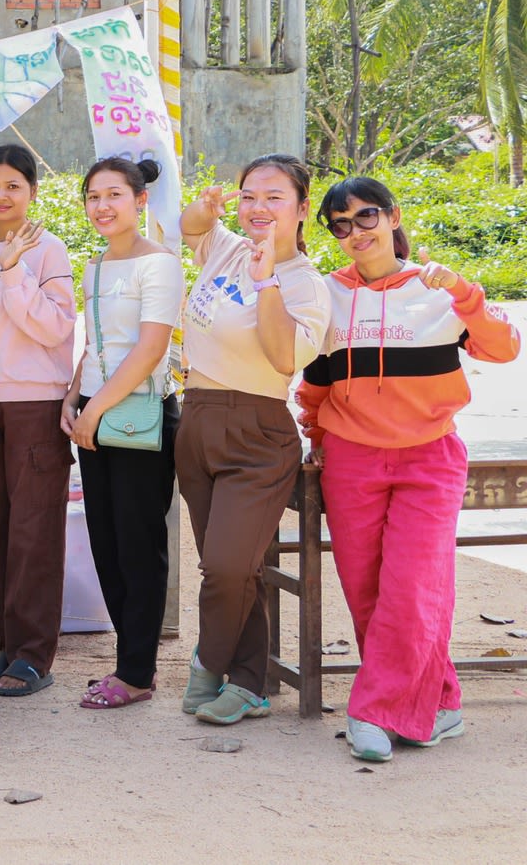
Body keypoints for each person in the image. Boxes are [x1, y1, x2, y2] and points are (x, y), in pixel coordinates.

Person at [297, 178, 519, 761]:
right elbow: (316, 384)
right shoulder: (327, 295)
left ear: (392, 217)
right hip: (349, 459)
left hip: (429, 456)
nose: (355, 233)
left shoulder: (438, 290)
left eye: (365, 217)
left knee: (413, 588)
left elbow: (503, 348)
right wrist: (317, 438)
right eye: (339, 224)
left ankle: (373, 711)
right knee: (368, 591)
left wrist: (466, 293)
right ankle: (441, 704)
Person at [176, 155, 331, 725]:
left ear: (301, 208)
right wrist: (205, 209)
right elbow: (192, 228)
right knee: (233, 569)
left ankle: (207, 663)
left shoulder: (308, 286)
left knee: (226, 565)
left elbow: (283, 355)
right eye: (249, 196)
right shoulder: (227, 247)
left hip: (257, 431)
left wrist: (267, 280)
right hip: (196, 420)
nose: (258, 208)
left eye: (273, 198)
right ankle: (250, 684)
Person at [0, 143, 77, 699]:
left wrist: (12, 273)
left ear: (32, 191)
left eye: (13, 186)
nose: (1, 196)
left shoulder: (49, 251)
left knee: (35, 531)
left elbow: (54, 329)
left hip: (36, 405)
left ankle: (34, 655)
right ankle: (6, 644)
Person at [65, 158, 183, 711]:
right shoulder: (93, 266)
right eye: (93, 196)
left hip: (139, 411)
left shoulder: (158, 264)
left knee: (139, 544)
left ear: (140, 201)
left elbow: (150, 349)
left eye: (114, 194)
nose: (103, 206)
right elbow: (95, 345)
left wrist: (95, 411)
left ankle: (137, 671)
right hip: (94, 407)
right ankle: (127, 660)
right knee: (105, 543)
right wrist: (73, 397)